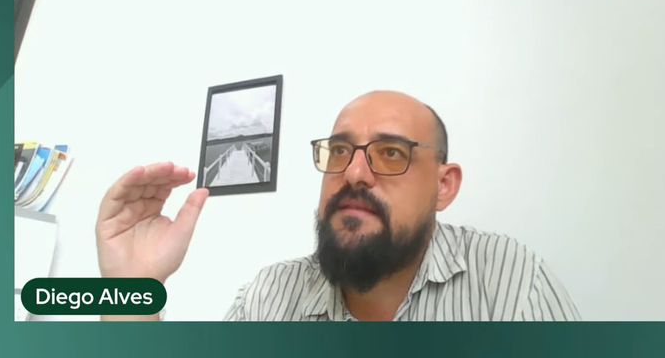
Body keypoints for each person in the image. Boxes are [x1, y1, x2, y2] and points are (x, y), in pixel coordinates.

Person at [96, 91, 580, 321]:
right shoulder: (269, 299)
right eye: (340, 151)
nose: (354, 173)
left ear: (443, 185)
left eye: (391, 153)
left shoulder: (510, 284)